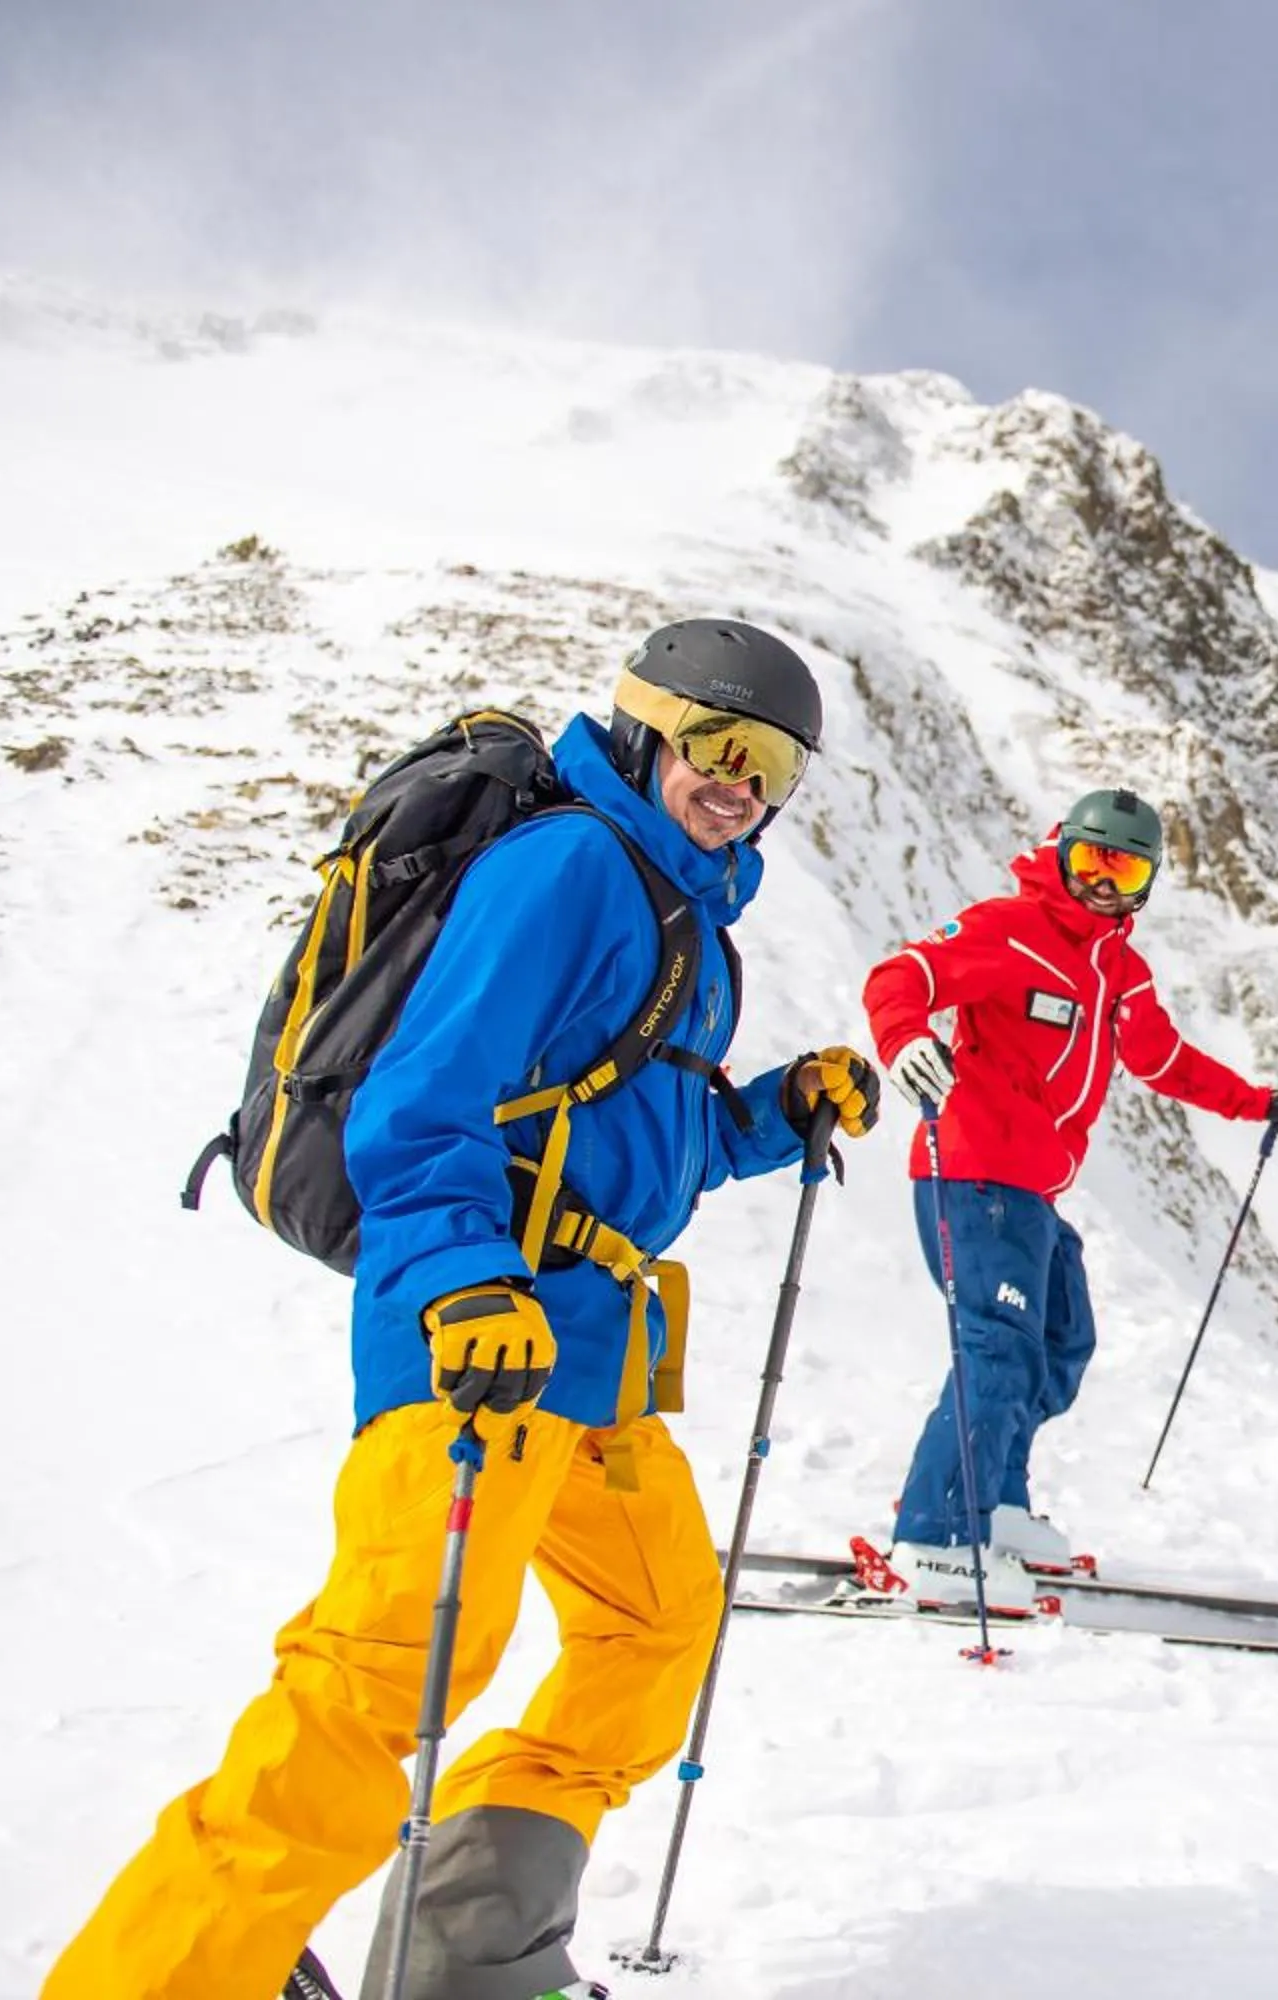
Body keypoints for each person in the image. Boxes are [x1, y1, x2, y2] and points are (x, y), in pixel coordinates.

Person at [47, 620, 878, 2000]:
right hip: (479, 1347)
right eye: (719, 745)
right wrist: (460, 1284)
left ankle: (469, 1952)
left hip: (596, 1366)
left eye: (772, 764)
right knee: (377, 1685)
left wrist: (770, 1116)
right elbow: (419, 1101)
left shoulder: (687, 916)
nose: (740, 783)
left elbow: (637, 1142)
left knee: (657, 1627)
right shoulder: (566, 869)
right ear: (643, 730)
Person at [861, 785, 1278, 1609]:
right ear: (1062, 851)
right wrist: (906, 1041)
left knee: (1059, 1347)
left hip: (1033, 1191)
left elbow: (1161, 1059)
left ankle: (995, 1504)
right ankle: (933, 1535)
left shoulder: (1119, 971)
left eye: (1126, 867)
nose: (1105, 882)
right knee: (996, 1349)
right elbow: (903, 977)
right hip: (971, 1173)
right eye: (1092, 859)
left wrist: (1255, 1102)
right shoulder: (1010, 930)